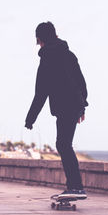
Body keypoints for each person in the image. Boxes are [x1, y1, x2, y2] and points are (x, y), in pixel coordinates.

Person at [25, 21, 88, 199]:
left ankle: (76, 186)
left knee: (63, 144)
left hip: (64, 107)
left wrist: (30, 119)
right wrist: (82, 106)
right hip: (75, 104)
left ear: (40, 39)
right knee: (64, 144)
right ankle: (74, 186)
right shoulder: (69, 54)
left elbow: (41, 93)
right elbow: (81, 82)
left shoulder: (47, 59)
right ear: (56, 35)